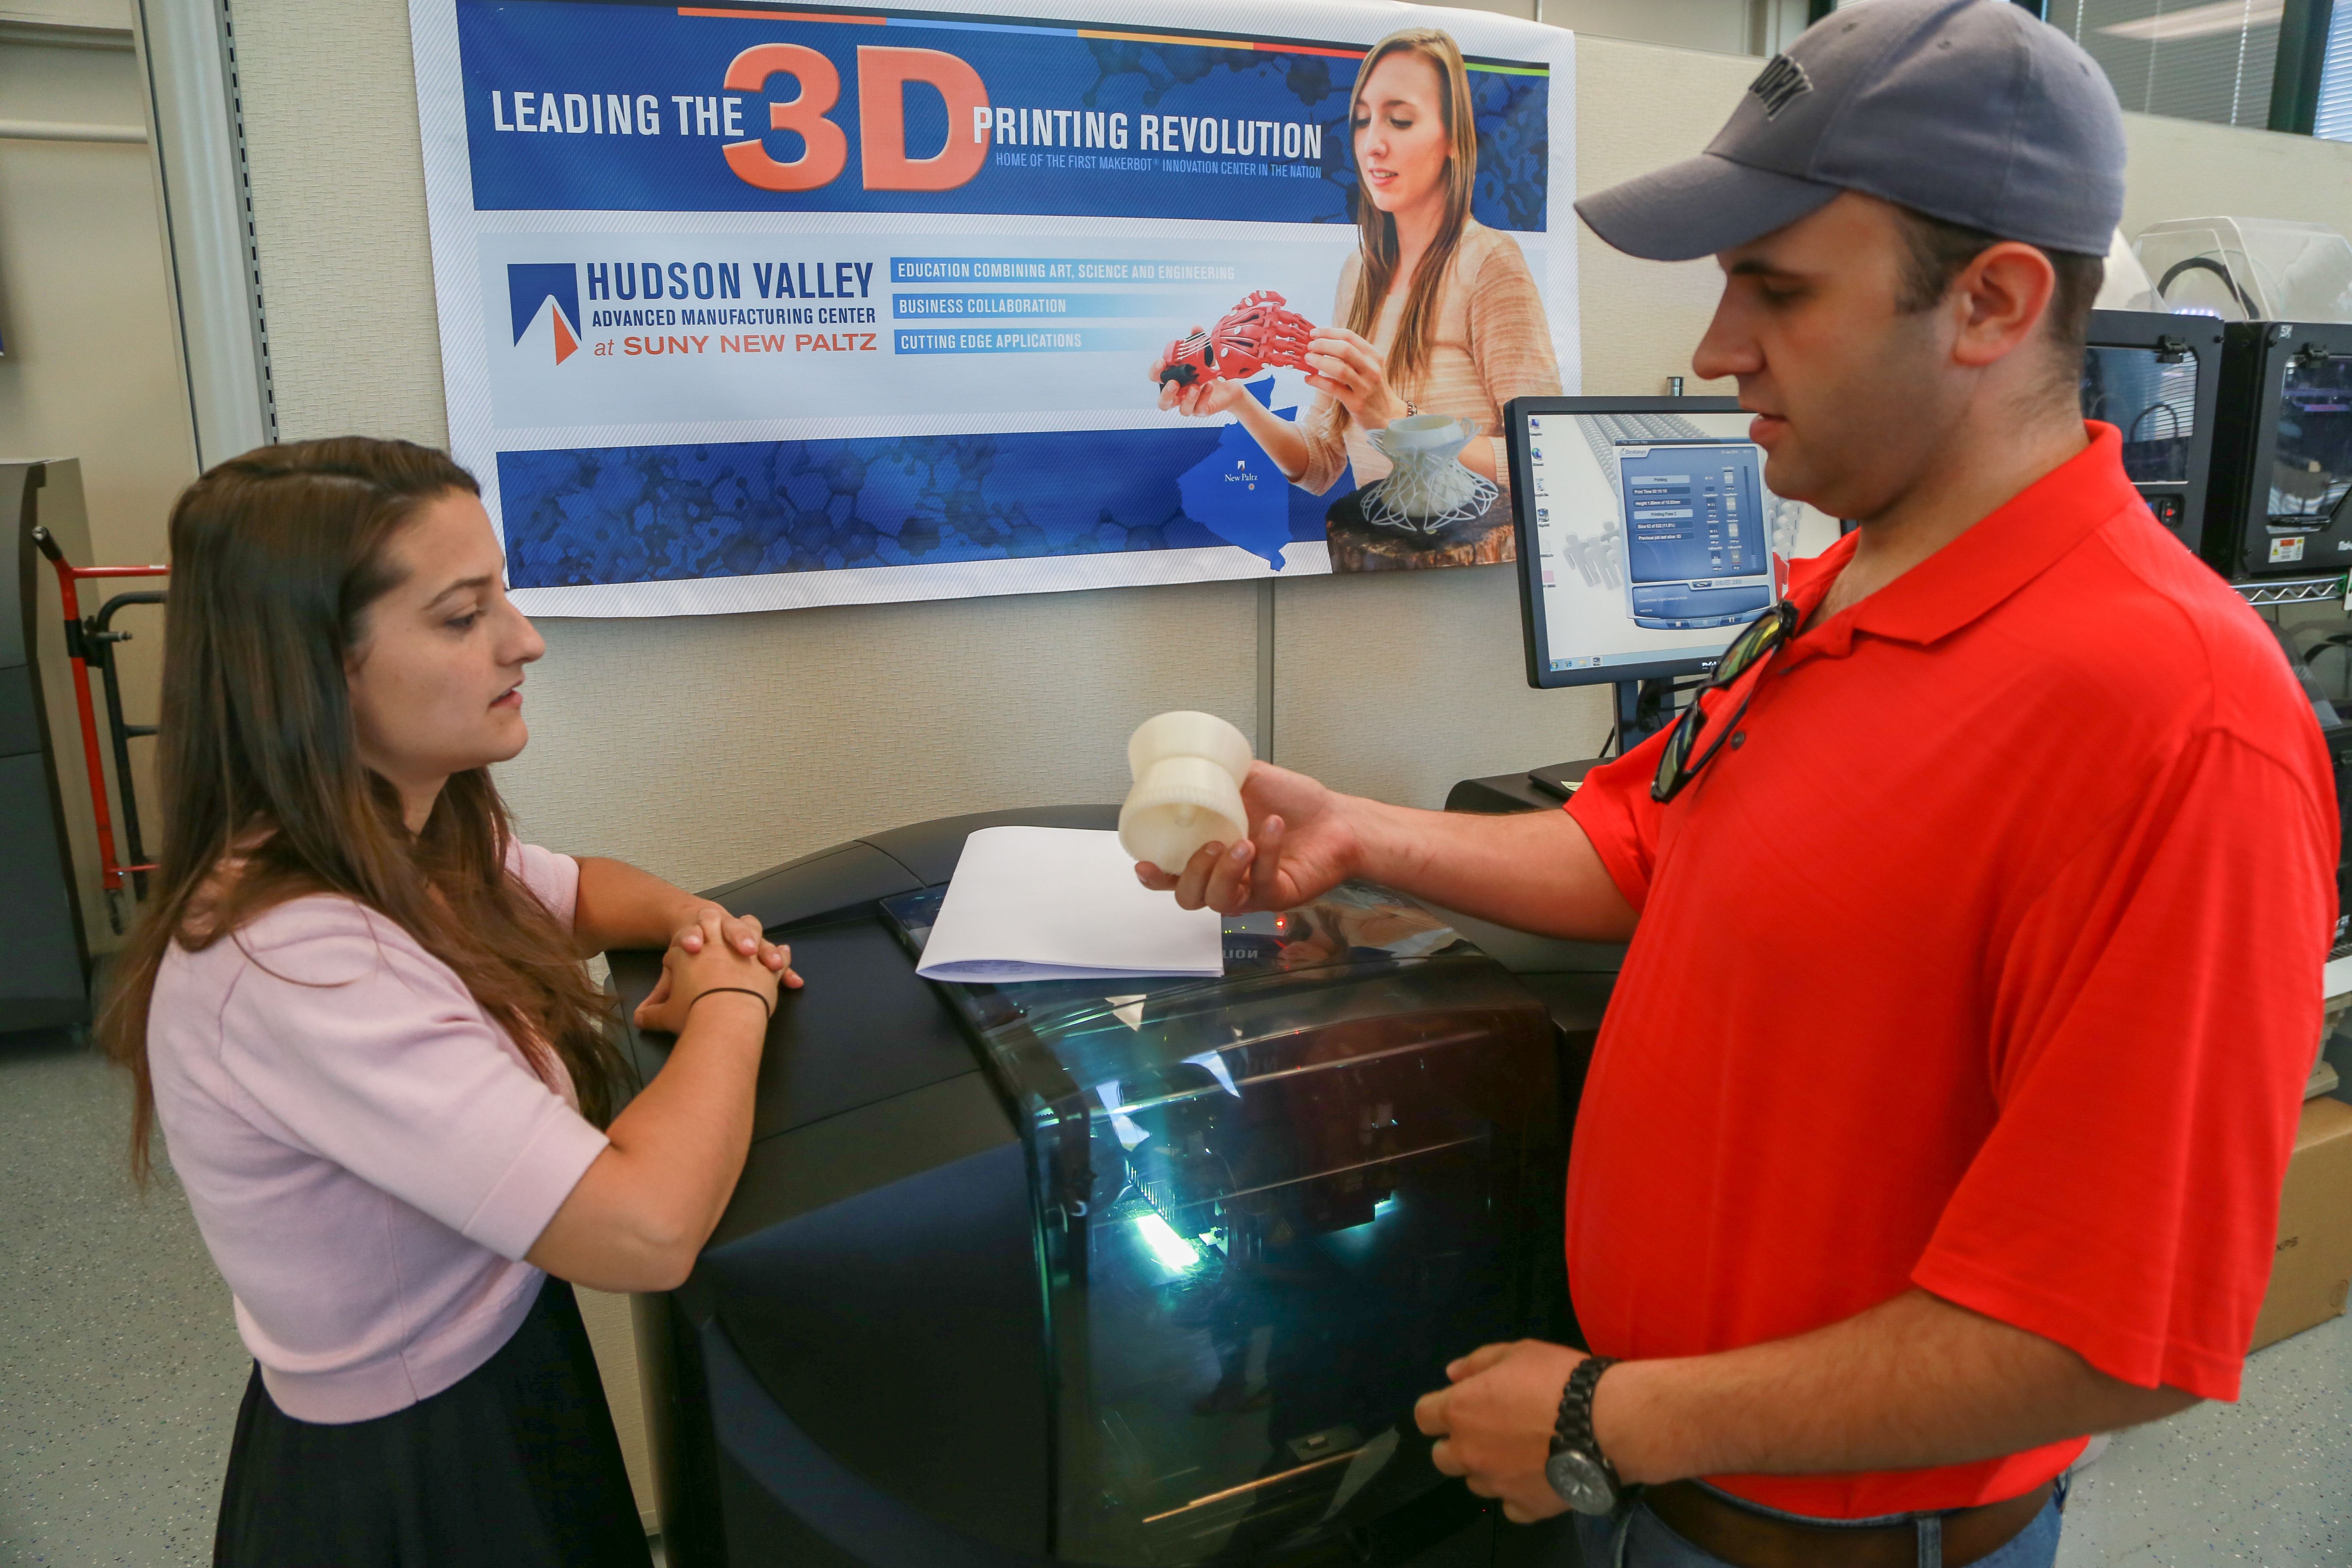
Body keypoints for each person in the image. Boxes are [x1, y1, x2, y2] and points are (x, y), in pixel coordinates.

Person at [1136, 3, 2338, 1565]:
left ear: (1991, 300)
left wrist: (1607, 1419)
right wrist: (1366, 835)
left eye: (1773, 289)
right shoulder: (1845, 583)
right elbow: (1650, 838)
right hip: (1652, 1488)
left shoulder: (2172, 720)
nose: (1713, 349)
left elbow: (2114, 1331)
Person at [100, 438, 799, 1566]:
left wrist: (701, 927)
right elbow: (645, 1229)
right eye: (464, 615)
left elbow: (580, 895)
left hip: (511, 1364)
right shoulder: (300, 964)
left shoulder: (410, 830)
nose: (523, 639)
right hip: (410, 1469)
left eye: (504, 596)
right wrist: (734, 1000)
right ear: (318, 669)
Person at [1151, 27, 1560, 564]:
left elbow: (1548, 461)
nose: (1373, 143)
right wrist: (1239, 401)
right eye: (1364, 119)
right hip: (1382, 577)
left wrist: (1393, 418)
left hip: (1471, 589)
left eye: (1401, 119)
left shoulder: (1490, 264)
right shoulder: (1360, 272)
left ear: (1455, 138)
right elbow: (1320, 461)